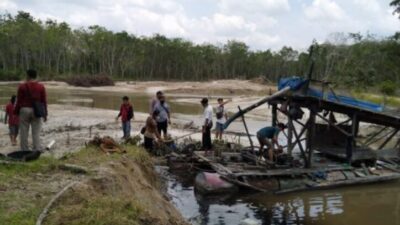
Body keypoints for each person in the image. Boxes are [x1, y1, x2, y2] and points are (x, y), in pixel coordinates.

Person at [14, 69, 47, 151]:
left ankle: (24, 150)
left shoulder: (22, 86)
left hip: (24, 110)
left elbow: (19, 101)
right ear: (36, 76)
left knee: (24, 132)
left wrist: (16, 112)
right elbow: (44, 101)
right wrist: (45, 114)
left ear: (28, 76)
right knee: (36, 132)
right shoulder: (41, 87)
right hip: (37, 110)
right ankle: (36, 149)